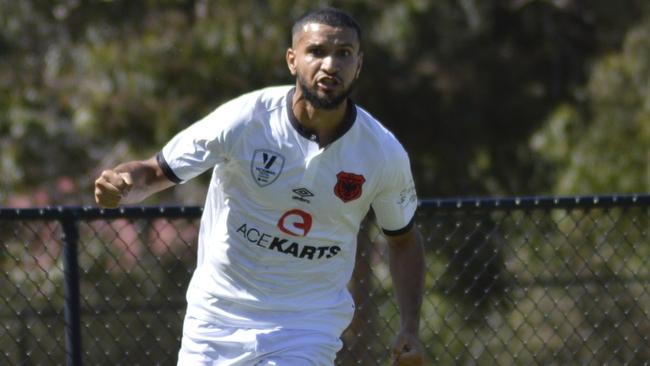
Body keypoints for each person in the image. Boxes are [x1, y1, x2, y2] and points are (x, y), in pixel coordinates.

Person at [94, 7, 425, 366]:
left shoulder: (382, 152)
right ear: (292, 60)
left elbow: (403, 240)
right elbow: (155, 171)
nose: (330, 65)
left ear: (358, 65)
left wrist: (409, 327)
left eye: (344, 54)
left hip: (305, 328)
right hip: (216, 320)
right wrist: (124, 185)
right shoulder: (245, 120)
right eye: (316, 52)